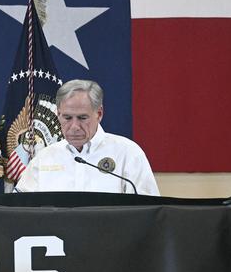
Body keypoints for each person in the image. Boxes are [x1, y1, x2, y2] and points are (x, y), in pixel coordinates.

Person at [15, 79, 159, 195]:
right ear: (58, 114)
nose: (74, 126)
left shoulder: (127, 153)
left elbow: (147, 210)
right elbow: (20, 207)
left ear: (99, 114)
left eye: (82, 118)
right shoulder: (45, 157)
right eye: (67, 117)